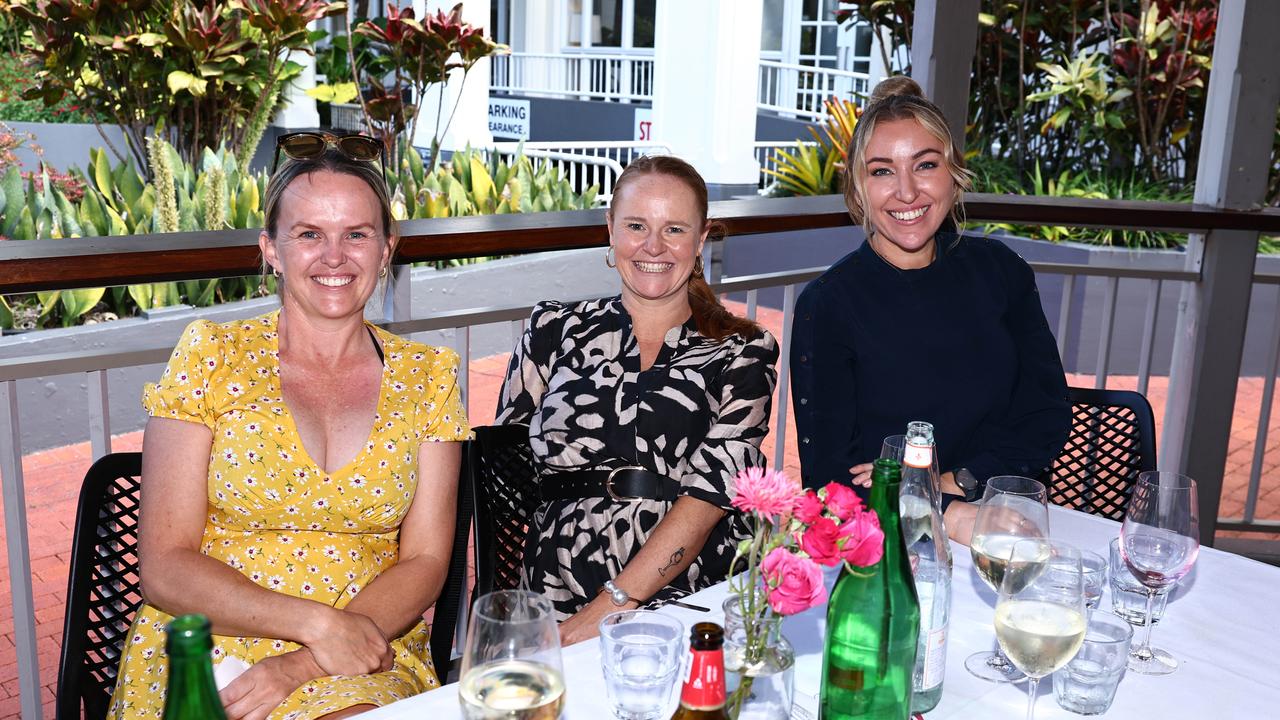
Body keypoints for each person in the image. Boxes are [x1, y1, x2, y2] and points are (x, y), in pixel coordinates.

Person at [108, 133, 470, 720]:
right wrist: (315, 625)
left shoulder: (428, 376)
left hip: (366, 643)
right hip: (215, 636)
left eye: (357, 234)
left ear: (386, 250)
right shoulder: (211, 355)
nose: (335, 256)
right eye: (309, 235)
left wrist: (308, 660)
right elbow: (165, 565)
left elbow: (425, 561)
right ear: (271, 249)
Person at [495, 155, 779, 643]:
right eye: (635, 225)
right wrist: (506, 610)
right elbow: (506, 474)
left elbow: (710, 496)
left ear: (702, 238)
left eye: (674, 229)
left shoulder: (743, 351)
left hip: (689, 591)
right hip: (552, 588)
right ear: (610, 228)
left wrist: (609, 607)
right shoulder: (552, 330)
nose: (653, 246)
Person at [790, 78, 1070, 542]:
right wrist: (947, 513)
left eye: (925, 165)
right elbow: (830, 482)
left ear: (953, 174)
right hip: (886, 536)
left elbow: (1045, 414)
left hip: (1001, 518)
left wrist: (952, 483)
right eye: (882, 171)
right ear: (858, 189)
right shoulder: (829, 305)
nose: (906, 191)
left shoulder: (1001, 272)